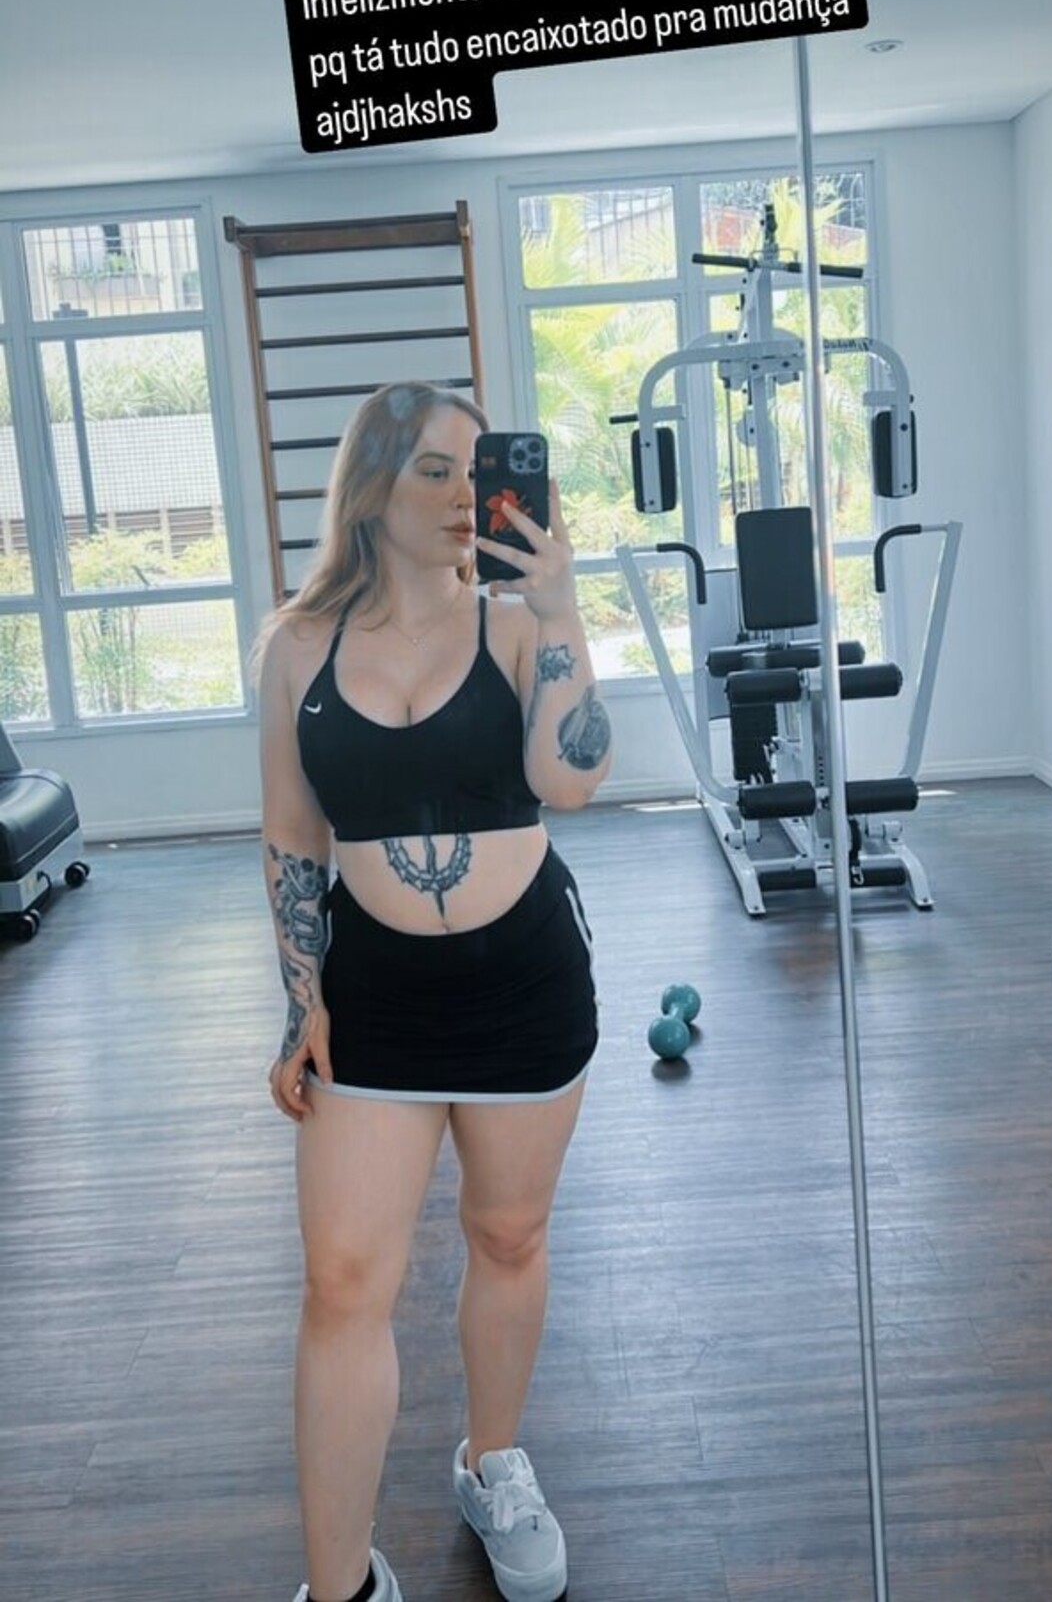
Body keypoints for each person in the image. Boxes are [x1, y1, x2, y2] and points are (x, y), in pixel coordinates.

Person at [256, 380, 612, 1602]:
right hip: (376, 995)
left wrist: (559, 604)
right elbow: (291, 832)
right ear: (372, 487)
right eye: (438, 470)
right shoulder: (297, 647)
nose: (469, 495)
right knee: (342, 1283)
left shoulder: (514, 625)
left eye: (480, 468)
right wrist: (299, 995)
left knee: (507, 1234)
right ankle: (339, 1586)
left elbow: (573, 780)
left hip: (525, 983)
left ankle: (492, 1461)